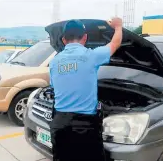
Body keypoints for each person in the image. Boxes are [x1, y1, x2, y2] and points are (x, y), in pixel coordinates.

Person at [49, 18, 123, 161]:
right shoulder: (92, 56)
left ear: (64, 40)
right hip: (85, 125)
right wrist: (118, 26)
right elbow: (115, 43)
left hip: (59, 124)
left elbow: (54, 86)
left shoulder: (54, 62)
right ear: (85, 37)